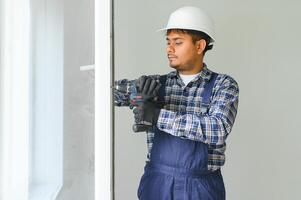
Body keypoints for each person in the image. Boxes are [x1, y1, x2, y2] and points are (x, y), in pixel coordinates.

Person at [115, 6, 239, 200]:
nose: (169, 49)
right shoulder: (154, 85)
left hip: (201, 187)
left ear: (200, 46)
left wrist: (156, 115)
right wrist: (138, 96)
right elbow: (108, 93)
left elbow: (217, 128)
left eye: (178, 42)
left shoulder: (223, 85)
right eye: (168, 42)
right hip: (157, 183)